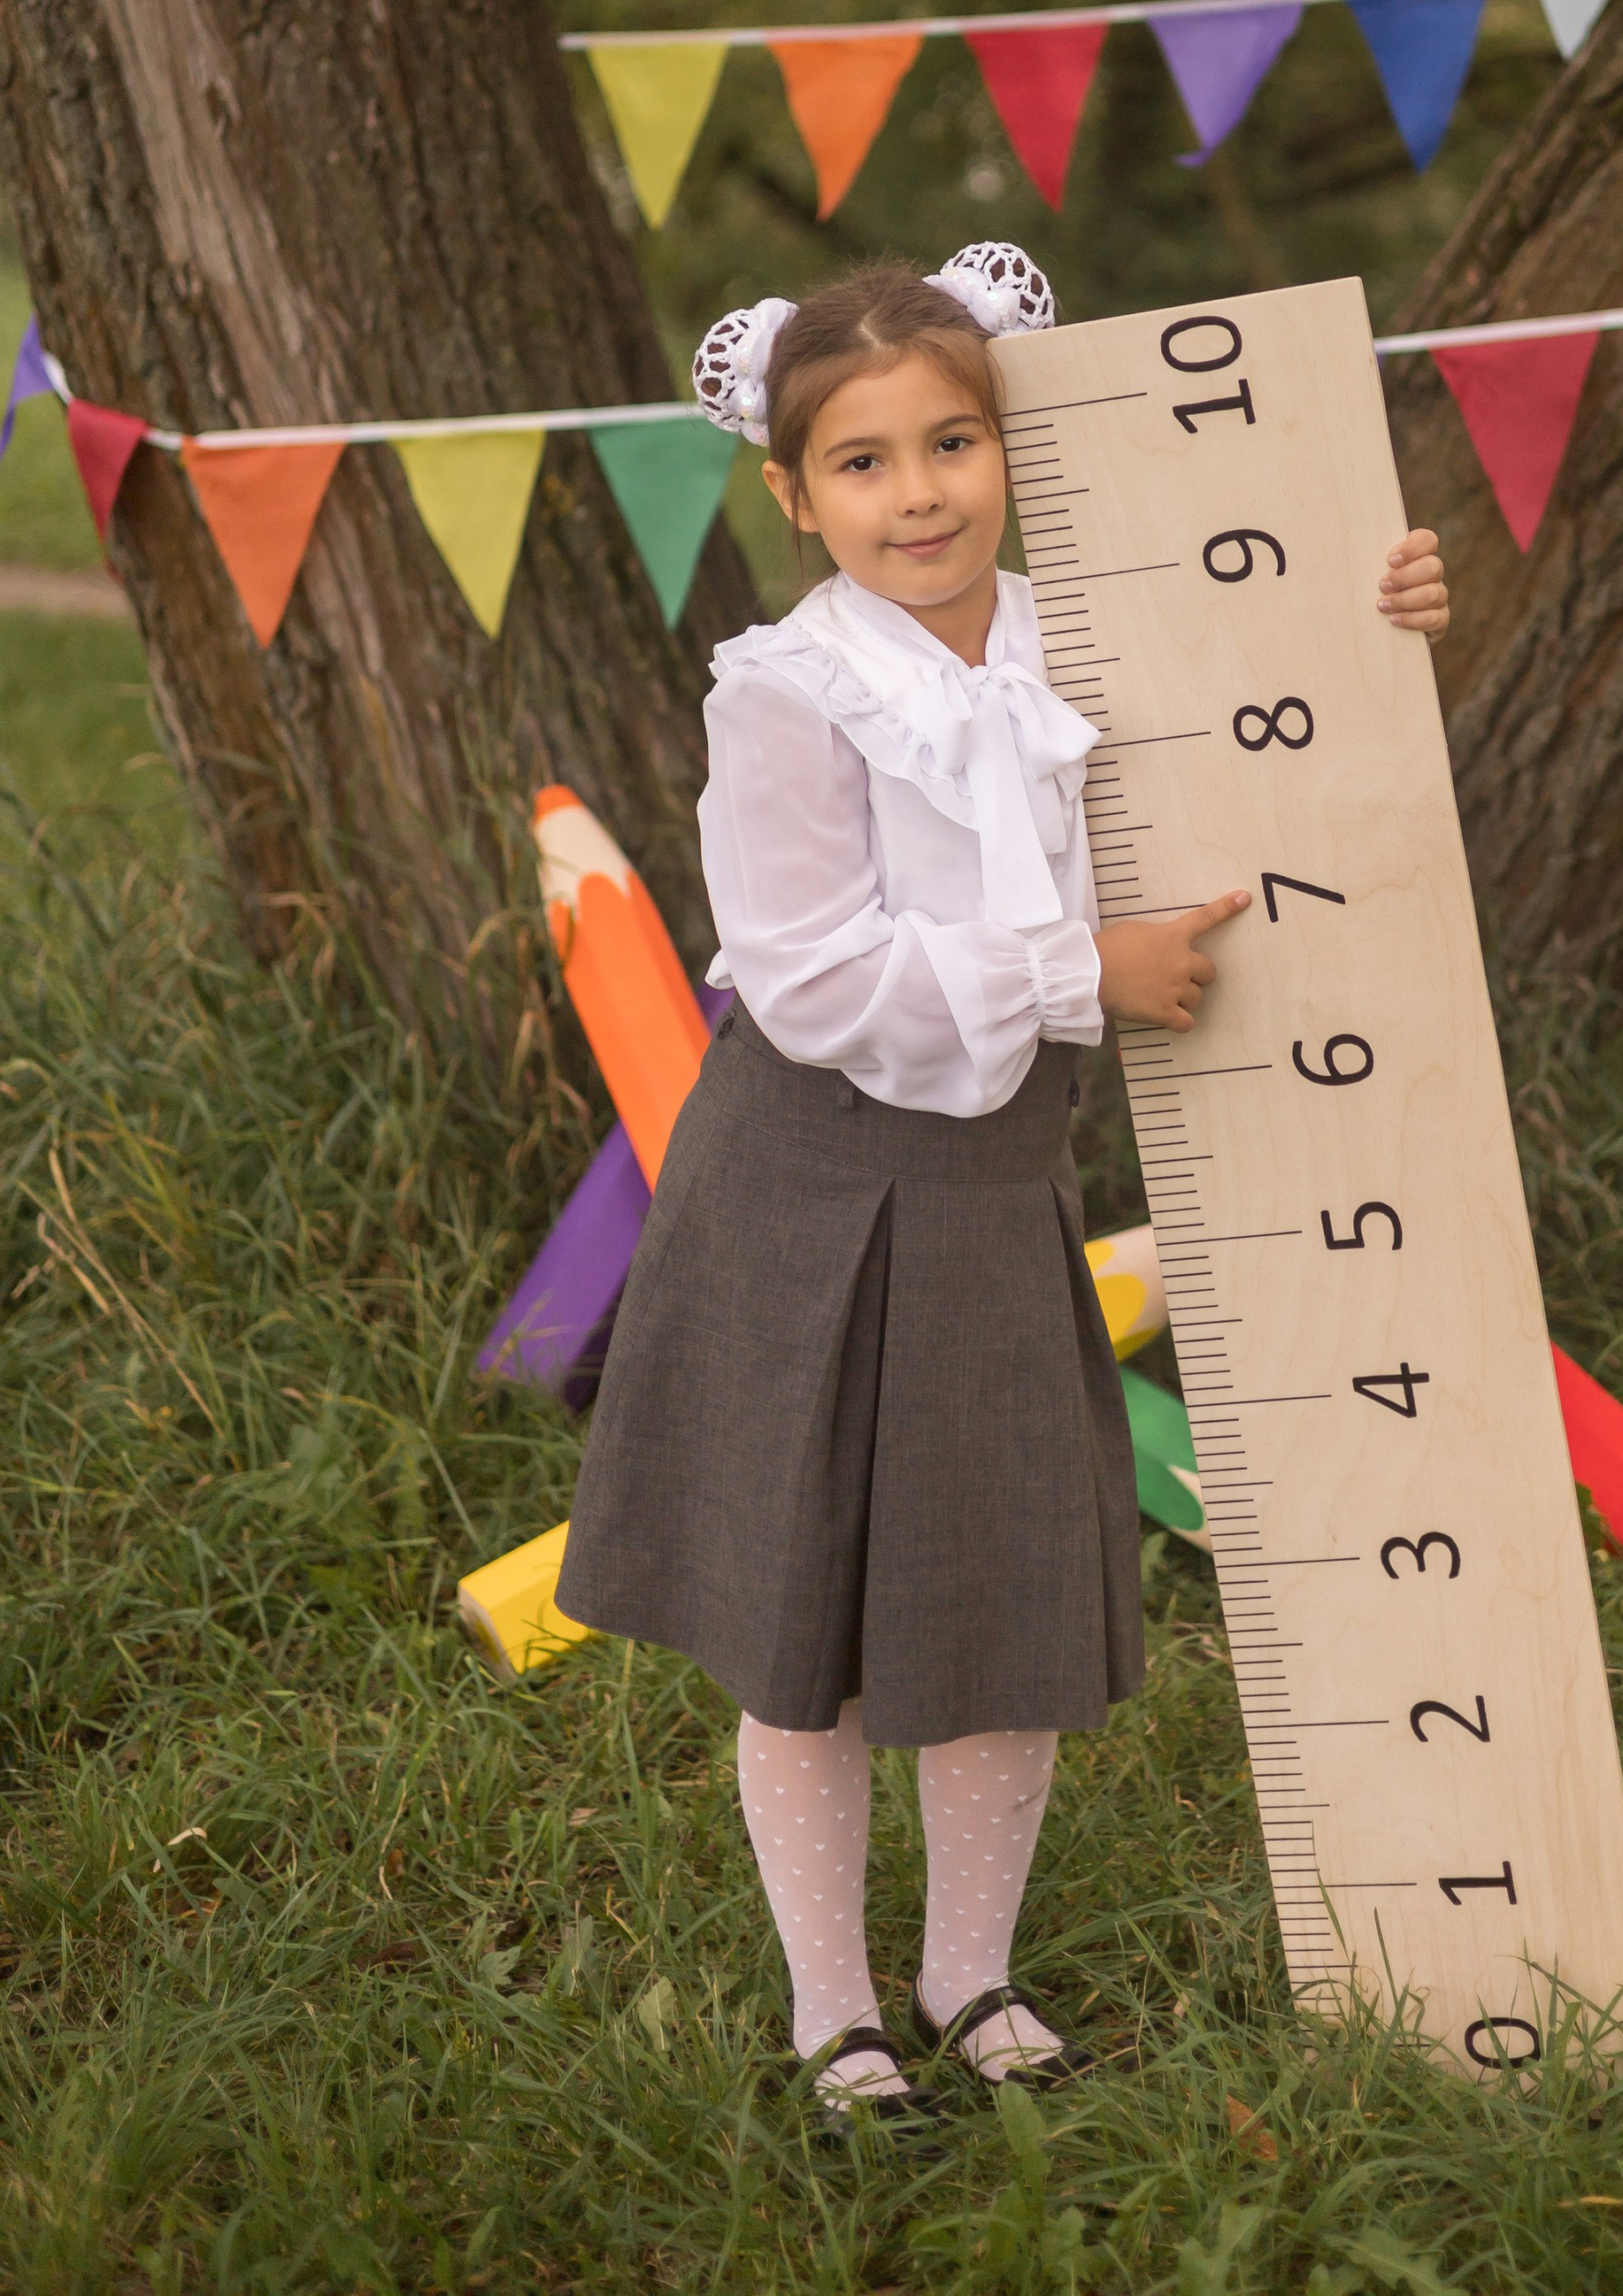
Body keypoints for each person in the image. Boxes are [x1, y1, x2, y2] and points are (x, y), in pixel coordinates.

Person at [557, 244, 1450, 2141]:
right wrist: (1075, 976)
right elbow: (807, 978)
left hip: (993, 1187)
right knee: (807, 1619)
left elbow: (1290, 713)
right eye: (864, 462)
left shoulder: (1090, 643)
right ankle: (832, 2002)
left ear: (1010, 445)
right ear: (791, 497)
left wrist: (1385, 610)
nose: (922, 492)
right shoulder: (785, 694)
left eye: (952, 440)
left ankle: (972, 1972)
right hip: (805, 1179)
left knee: (993, 1588)